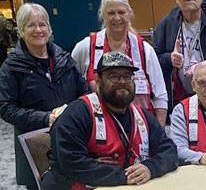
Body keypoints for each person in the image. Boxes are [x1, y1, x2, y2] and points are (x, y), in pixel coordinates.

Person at [42, 51, 178, 189]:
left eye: (127, 76)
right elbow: (70, 163)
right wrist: (124, 176)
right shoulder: (77, 113)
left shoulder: (142, 116)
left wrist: (150, 168)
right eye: (114, 76)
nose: (122, 82)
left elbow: (169, 151)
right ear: (98, 80)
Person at [0, 3, 88, 190]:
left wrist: (72, 113)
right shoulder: (11, 67)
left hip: (70, 138)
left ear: (50, 28)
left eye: (42, 24)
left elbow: (84, 93)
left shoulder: (65, 59)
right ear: (21, 31)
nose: (38, 30)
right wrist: (46, 118)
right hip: (34, 144)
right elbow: (5, 108)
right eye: (31, 25)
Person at [72, 0, 168, 126]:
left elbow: (160, 96)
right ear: (102, 16)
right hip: (98, 128)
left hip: (140, 128)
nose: (117, 18)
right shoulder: (84, 48)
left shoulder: (145, 49)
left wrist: (159, 132)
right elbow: (72, 91)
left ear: (129, 14)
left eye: (121, 12)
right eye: (111, 13)